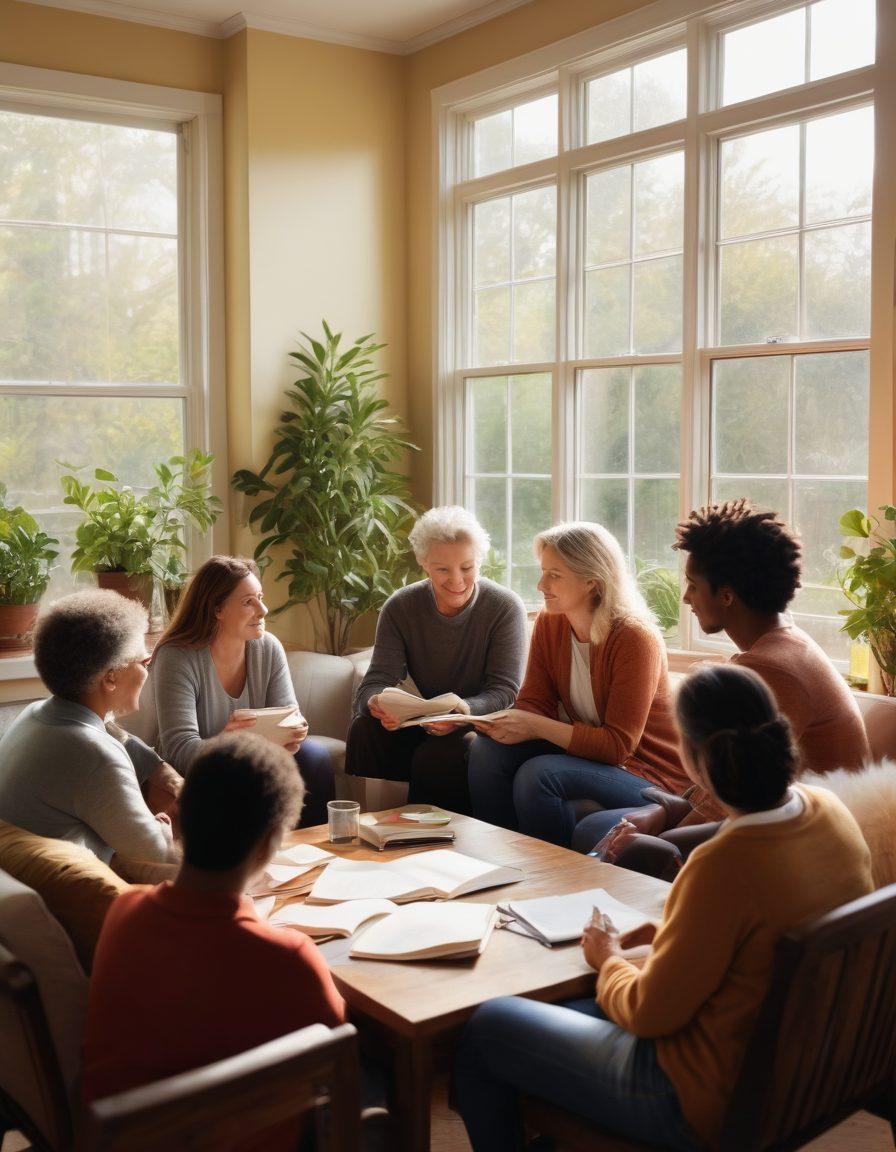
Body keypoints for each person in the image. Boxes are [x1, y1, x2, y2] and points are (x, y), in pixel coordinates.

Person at [453, 664, 874, 1152]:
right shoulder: (829, 812)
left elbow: (649, 1012)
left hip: (701, 1094)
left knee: (488, 1028)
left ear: (695, 762)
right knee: (555, 1012)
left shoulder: (724, 865)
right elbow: (745, 939)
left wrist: (607, 957)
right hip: (807, 1067)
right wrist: (661, 937)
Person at [81, 733, 348, 1147]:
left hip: (126, 1135)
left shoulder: (124, 911)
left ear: (179, 819)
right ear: (270, 844)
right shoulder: (289, 958)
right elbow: (336, 1058)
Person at [573, 499, 869, 859]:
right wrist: (661, 813)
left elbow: (738, 792)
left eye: (694, 586)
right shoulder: (780, 647)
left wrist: (662, 840)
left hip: (804, 844)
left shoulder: (774, 668)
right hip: (773, 820)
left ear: (726, 595)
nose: (686, 598)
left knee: (615, 845)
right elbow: (723, 781)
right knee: (605, 831)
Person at [467, 522, 689, 846]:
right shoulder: (551, 620)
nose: (541, 584)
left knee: (540, 774)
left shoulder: (634, 637)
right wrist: (504, 723)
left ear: (591, 582)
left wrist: (534, 725)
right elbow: (536, 702)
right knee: (487, 750)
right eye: (543, 572)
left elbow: (617, 747)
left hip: (647, 773)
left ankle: (551, 880)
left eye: (554, 575)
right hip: (595, 758)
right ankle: (496, 858)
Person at [346, 506, 527, 813]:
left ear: (479, 561)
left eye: (467, 567)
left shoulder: (504, 608)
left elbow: (505, 691)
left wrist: (461, 712)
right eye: (443, 569)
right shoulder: (400, 607)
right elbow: (375, 682)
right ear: (423, 563)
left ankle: (432, 844)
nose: (457, 580)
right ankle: (368, 829)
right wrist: (377, 704)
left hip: (477, 725)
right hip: (426, 721)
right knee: (365, 730)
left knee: (441, 753)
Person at [0, 590, 179, 871]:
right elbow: (159, 859)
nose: (148, 672)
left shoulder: (33, 715)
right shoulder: (95, 756)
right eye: (144, 663)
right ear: (110, 678)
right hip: (68, 902)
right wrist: (164, 834)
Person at [152, 555, 334, 827]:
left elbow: (289, 715)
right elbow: (179, 750)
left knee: (315, 757)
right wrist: (229, 745)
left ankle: (311, 854)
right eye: (248, 602)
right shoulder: (177, 657)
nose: (263, 610)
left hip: (258, 757)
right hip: (206, 769)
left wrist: (295, 731)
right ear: (217, 609)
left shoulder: (268, 647)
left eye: (260, 597)